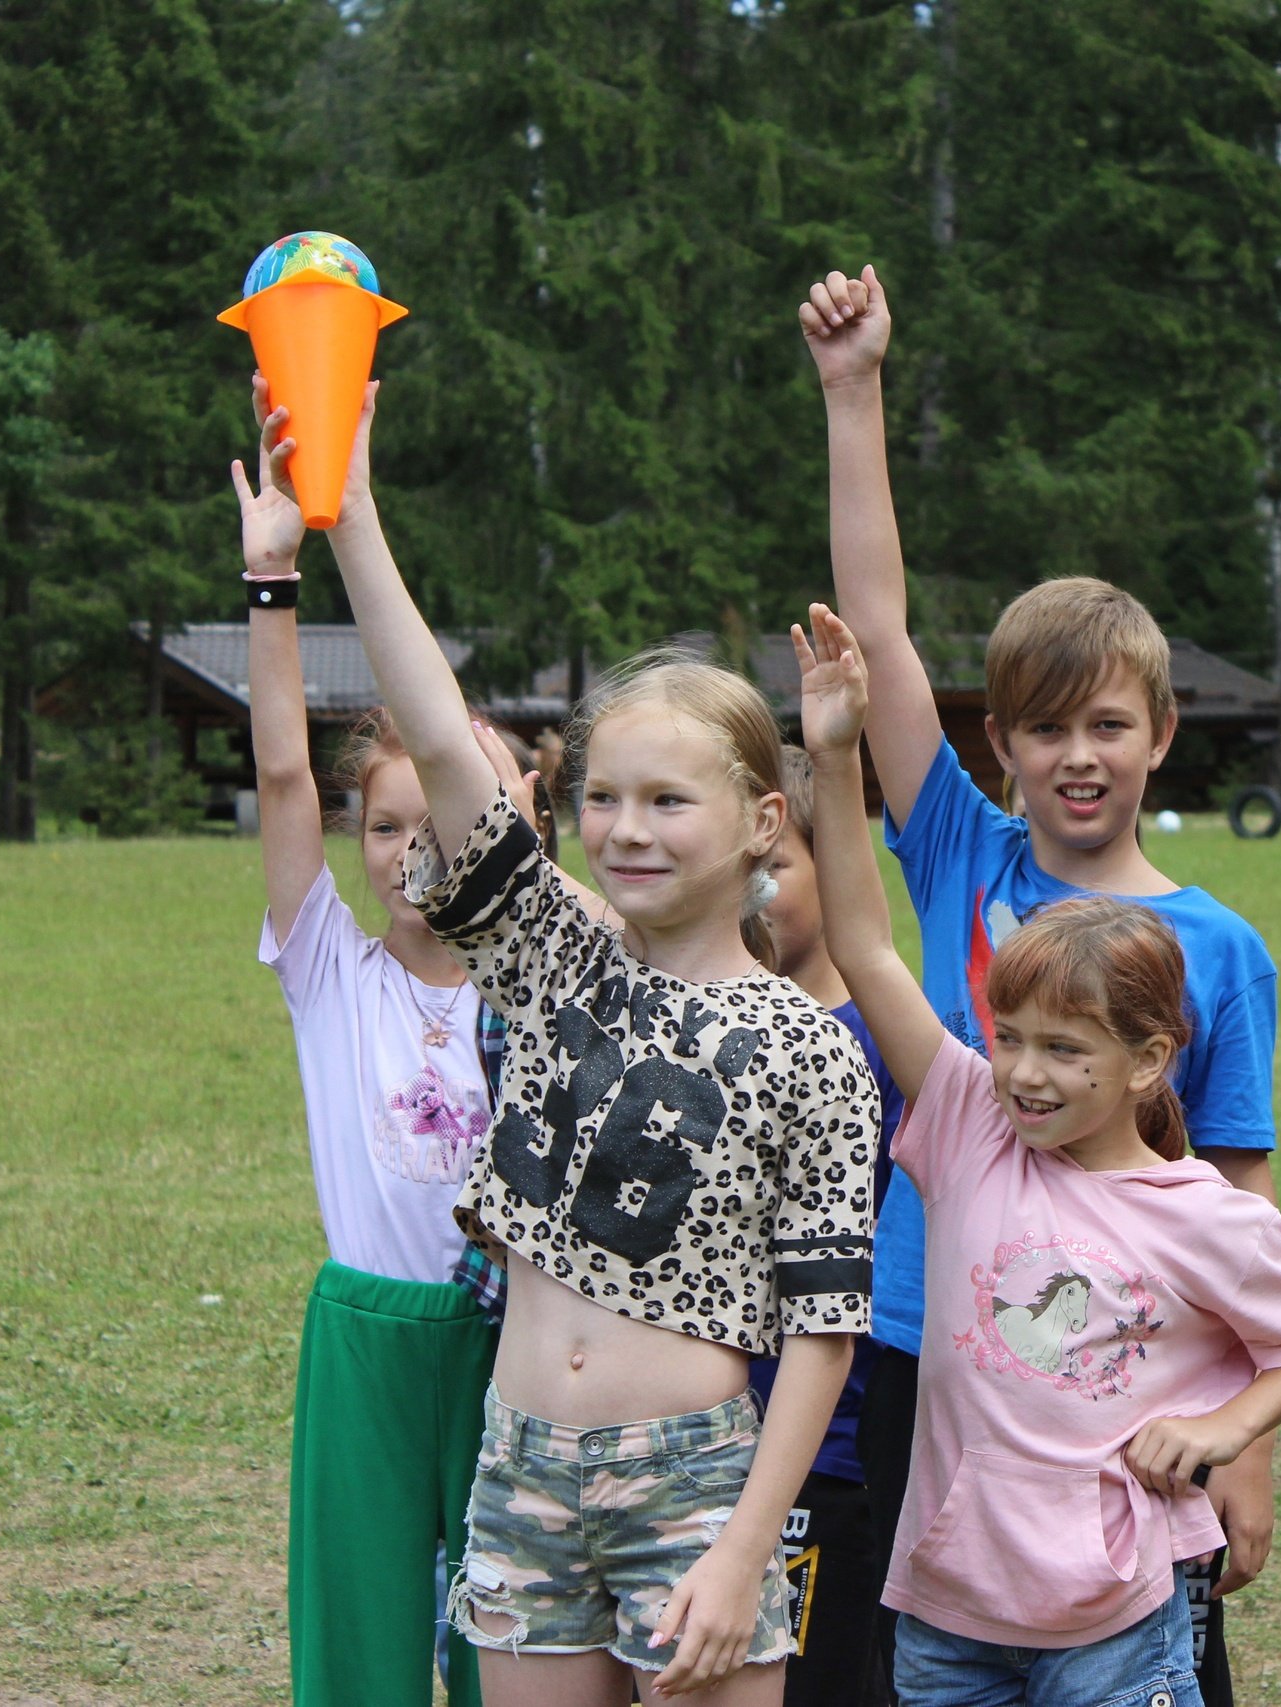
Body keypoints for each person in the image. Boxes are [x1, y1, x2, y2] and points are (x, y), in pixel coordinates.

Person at [318, 380, 882, 1706]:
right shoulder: (554, 955)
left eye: (668, 799)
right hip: (518, 1461)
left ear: (757, 820)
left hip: (696, 1477)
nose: (626, 827)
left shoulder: (810, 1047)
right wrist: (352, 515)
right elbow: (448, 745)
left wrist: (747, 1547)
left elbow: (823, 1327)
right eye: (606, 797)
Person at [800, 263, 1281, 1698]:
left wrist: (1246, 1445)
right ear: (997, 740)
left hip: (1135, 1387)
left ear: (1163, 732)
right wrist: (854, 391)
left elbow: (1243, 1205)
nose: (1081, 754)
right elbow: (878, 630)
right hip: (926, 1347)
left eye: (1110, 724)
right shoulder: (960, 849)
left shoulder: (1223, 949)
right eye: (1047, 726)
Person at [792, 604, 1281, 1707]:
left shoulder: (1193, 1205)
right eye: (1006, 1040)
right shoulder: (967, 1124)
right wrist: (832, 756)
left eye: (1066, 1049)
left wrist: (1230, 1432)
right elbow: (863, 947)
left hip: (1119, 1618)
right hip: (954, 1613)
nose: (1026, 1074)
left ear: (1152, 1059)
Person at [234, 382, 504, 1707]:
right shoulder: (330, 967)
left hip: (516, 1336)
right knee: (364, 1629)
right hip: (371, 1332)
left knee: (508, 1629)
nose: (416, 851)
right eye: (388, 825)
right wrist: (275, 570)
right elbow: (283, 771)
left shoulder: (546, 986)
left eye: (445, 824)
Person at [748, 747, 907, 1707]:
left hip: (831, 1458)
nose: (750, 891)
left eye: (776, 866)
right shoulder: (690, 1030)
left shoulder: (885, 1045)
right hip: (700, 1445)